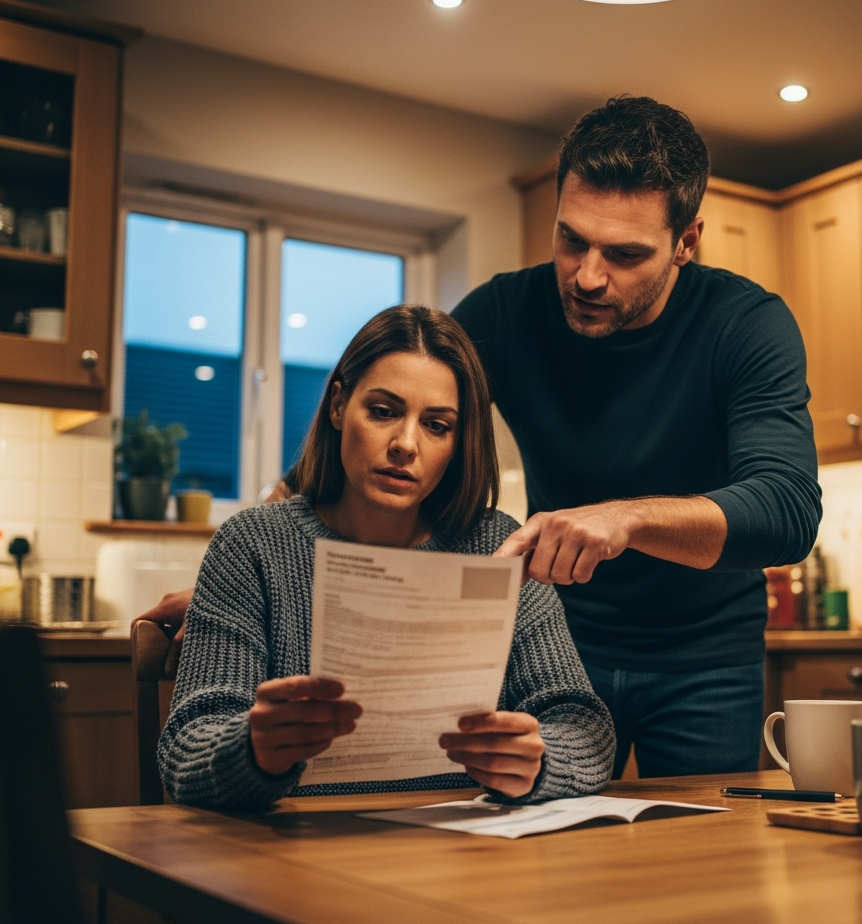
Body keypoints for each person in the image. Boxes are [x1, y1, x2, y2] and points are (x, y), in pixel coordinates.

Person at [451, 95, 822, 779]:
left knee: (700, 868)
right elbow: (385, 429)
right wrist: (259, 569)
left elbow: (788, 511)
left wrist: (627, 517)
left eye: (624, 254)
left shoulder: (747, 325)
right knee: (537, 865)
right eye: (571, 240)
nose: (588, 276)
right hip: (553, 649)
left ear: (687, 240)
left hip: (707, 659)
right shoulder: (504, 314)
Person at [157, 305, 614, 809]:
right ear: (338, 406)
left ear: (459, 442)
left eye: (437, 425)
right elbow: (185, 749)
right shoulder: (252, 544)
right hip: (296, 855)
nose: (405, 444)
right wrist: (252, 749)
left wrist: (538, 761)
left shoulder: (497, 548)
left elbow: (585, 728)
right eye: (383, 411)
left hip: (464, 854)